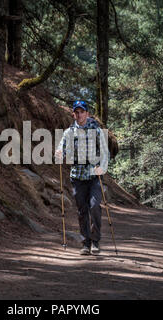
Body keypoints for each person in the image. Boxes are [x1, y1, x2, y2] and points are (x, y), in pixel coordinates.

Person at [55, 100, 109, 255]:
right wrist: (59, 154)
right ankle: (85, 243)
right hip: (77, 176)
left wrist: (102, 168)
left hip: (94, 175)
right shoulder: (69, 132)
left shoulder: (97, 131)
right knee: (82, 210)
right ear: (73, 114)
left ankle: (95, 241)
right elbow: (61, 148)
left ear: (87, 114)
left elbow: (105, 153)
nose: (79, 115)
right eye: (76, 112)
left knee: (94, 206)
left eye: (82, 112)